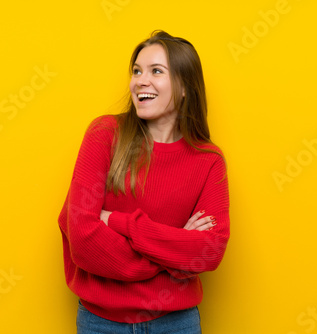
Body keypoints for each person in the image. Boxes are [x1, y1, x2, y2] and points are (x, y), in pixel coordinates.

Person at [58, 30, 230, 334]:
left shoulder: (208, 160)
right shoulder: (105, 134)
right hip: (101, 323)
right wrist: (172, 253)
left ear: (184, 87)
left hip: (176, 324)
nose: (140, 80)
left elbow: (210, 249)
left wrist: (119, 223)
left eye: (156, 71)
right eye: (137, 71)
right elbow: (82, 238)